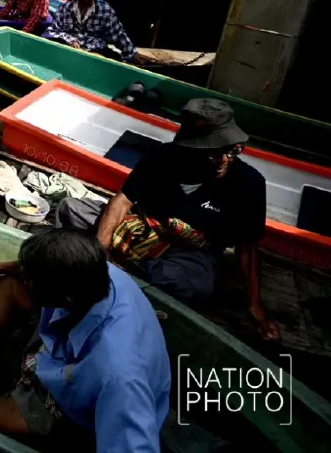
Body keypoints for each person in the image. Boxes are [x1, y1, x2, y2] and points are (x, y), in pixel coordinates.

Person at [0, 230, 170, 453]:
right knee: (12, 286)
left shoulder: (119, 376)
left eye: (32, 279)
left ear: (66, 297)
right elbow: (27, 272)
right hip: (65, 354)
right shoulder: (98, 272)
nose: (24, 278)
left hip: (75, 404)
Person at [55, 99, 280, 340]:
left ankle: (117, 275)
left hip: (190, 252)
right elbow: (122, 201)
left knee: (193, 284)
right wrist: (102, 250)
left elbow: (247, 246)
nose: (223, 159)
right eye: (212, 152)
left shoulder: (249, 184)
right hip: (139, 230)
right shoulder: (162, 158)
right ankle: (115, 270)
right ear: (192, 147)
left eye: (232, 150)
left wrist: (255, 303)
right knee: (71, 208)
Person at [44, 0, 136, 62]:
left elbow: (118, 35)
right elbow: (54, 30)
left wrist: (131, 54)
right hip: (68, 47)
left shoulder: (105, 10)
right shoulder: (65, 7)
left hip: (95, 50)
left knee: (117, 59)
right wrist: (71, 40)